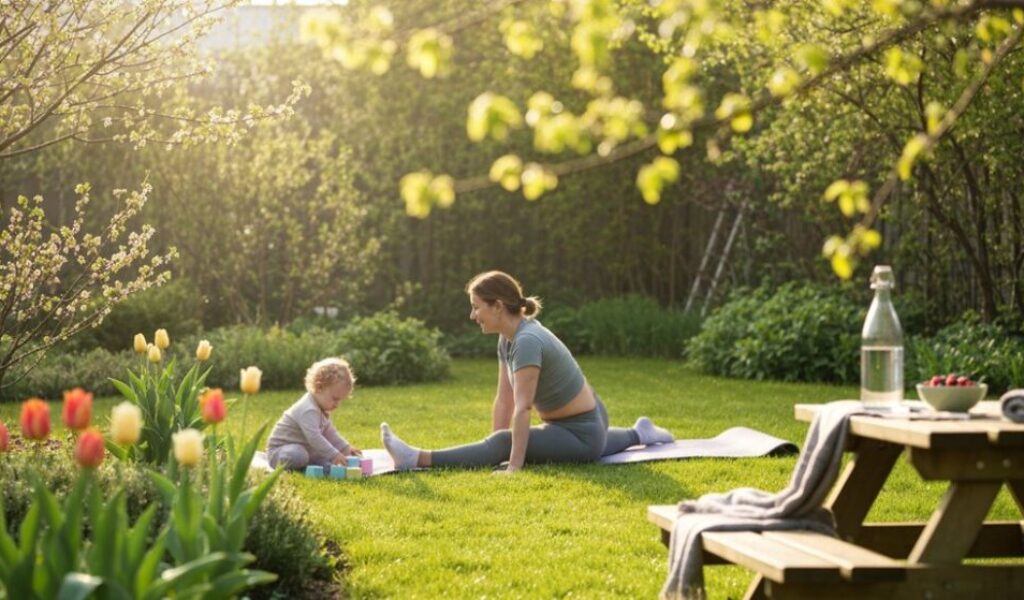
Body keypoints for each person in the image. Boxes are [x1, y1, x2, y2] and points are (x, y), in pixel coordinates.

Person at [381, 270, 674, 473]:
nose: (472, 315)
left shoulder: (527, 341)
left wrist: (512, 463)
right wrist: (493, 449)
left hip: (580, 429)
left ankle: (415, 458)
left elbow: (522, 409)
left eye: (476, 307)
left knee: (580, 444)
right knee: (507, 441)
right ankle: (640, 432)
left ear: (497, 306)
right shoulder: (508, 337)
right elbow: (504, 400)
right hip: (585, 421)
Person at [267, 357, 361, 470]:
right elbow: (315, 438)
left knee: (320, 455)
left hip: (304, 448)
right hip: (280, 452)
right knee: (300, 454)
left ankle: (314, 466)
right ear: (319, 387)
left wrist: (346, 448)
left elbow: (330, 433)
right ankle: (298, 465)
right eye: (335, 399)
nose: (337, 404)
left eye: (340, 400)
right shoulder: (308, 410)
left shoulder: (321, 408)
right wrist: (334, 454)